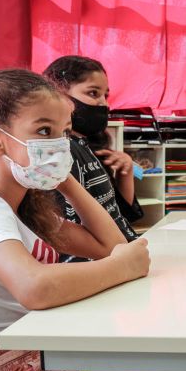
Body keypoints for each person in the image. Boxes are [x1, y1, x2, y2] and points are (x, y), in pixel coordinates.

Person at [0, 69, 150, 371]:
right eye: (44, 132)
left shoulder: (24, 206)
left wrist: (66, 181)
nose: (60, 146)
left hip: (31, 341)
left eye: (64, 133)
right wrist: (122, 267)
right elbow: (35, 288)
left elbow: (110, 246)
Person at [43, 56, 143, 253]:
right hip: (106, 257)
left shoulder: (90, 147)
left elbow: (122, 216)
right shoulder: (61, 152)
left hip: (124, 250)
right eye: (93, 93)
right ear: (59, 93)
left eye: (106, 95)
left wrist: (126, 173)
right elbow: (73, 228)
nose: (103, 104)